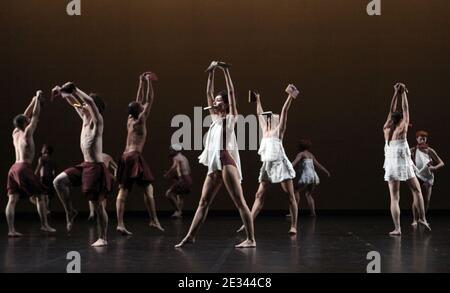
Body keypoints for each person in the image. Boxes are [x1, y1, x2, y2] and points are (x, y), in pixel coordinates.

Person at [175, 61, 256, 248]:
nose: (214, 102)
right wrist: (211, 72)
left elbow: (232, 94)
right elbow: (208, 94)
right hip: (214, 163)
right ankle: (190, 236)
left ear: (226, 104)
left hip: (225, 160)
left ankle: (251, 239)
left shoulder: (230, 117)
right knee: (203, 202)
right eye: (215, 101)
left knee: (239, 202)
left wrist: (225, 71)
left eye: (219, 101)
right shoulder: (214, 118)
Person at [53, 82, 112, 247]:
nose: (83, 107)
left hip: (96, 168)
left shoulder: (97, 121)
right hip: (84, 165)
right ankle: (70, 211)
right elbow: (75, 104)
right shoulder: (84, 118)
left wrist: (74, 89)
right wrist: (62, 92)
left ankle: (103, 237)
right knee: (58, 182)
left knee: (98, 206)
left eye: (85, 104)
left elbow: (90, 104)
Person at [237, 86, 299, 235]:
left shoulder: (279, 131)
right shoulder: (265, 130)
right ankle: (248, 223)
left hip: (280, 165)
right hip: (267, 166)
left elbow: (284, 112)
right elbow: (259, 113)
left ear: (278, 121)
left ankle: (294, 226)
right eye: (269, 116)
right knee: (259, 195)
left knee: (290, 196)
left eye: (273, 116)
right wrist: (258, 100)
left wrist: (290, 97)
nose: (270, 117)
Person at [115, 72, 164, 236]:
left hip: (124, 157)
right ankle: (153, 219)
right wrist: (149, 82)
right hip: (135, 156)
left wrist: (140, 81)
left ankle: (120, 224)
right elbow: (149, 100)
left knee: (123, 190)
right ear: (140, 110)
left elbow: (139, 99)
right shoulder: (141, 118)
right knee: (148, 189)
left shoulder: (130, 118)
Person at [6, 91, 56, 236]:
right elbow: (34, 115)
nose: (28, 120)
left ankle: (11, 230)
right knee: (40, 196)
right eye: (26, 121)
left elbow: (24, 115)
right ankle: (45, 225)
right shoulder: (28, 132)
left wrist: (33, 99)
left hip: (13, 168)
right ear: (25, 123)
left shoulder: (16, 132)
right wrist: (37, 98)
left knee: (12, 199)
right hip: (23, 168)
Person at [383, 82, 430, 236]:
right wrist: (403, 93)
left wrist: (396, 92)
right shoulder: (402, 129)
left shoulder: (386, 129)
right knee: (417, 191)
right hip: (403, 163)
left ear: (391, 119)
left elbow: (391, 111)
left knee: (394, 197)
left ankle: (397, 228)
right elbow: (405, 109)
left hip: (391, 164)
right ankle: (422, 218)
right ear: (402, 119)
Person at [410, 130, 445, 225]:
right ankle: (414, 220)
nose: (422, 140)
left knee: (427, 200)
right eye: (420, 138)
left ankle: (423, 219)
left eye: (424, 138)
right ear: (417, 139)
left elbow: (441, 162)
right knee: (416, 198)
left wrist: (435, 167)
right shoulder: (413, 150)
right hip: (417, 175)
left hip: (428, 176)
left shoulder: (429, 150)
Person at [291, 139, 331, 217]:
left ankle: (294, 212)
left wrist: (287, 169)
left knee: (295, 191)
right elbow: (318, 165)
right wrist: (326, 171)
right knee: (308, 194)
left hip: (306, 176)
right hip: (313, 176)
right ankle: (313, 213)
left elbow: (294, 162)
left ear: (300, 146)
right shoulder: (311, 155)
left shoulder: (301, 154)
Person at [164, 144, 193, 218]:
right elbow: (187, 170)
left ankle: (178, 211)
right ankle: (178, 213)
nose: (170, 152)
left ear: (175, 151)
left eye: (171, 150)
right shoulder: (184, 157)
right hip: (188, 179)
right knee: (180, 196)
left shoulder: (176, 157)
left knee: (168, 193)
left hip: (183, 179)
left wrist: (167, 174)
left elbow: (173, 167)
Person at [88, 153, 118, 222]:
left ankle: (92, 213)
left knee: (92, 196)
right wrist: (115, 176)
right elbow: (116, 167)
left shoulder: (92, 155)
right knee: (103, 197)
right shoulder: (107, 156)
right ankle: (99, 213)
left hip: (95, 176)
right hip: (103, 177)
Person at [32, 144, 57, 214]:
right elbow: (54, 172)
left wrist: (33, 177)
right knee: (48, 197)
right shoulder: (53, 160)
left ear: (46, 150)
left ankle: (45, 209)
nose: (41, 149)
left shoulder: (42, 158)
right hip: (51, 179)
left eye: (43, 148)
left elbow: (38, 168)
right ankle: (47, 210)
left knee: (35, 197)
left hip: (43, 179)